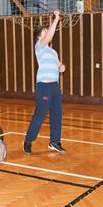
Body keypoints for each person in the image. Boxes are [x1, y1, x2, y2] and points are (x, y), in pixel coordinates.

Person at [23, 11, 66, 154]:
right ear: (40, 36)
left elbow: (59, 66)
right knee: (40, 115)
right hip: (44, 86)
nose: (48, 33)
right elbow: (50, 36)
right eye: (45, 31)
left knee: (57, 115)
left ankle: (55, 141)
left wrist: (61, 67)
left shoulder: (53, 52)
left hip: (55, 87)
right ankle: (28, 140)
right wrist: (56, 19)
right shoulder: (39, 46)